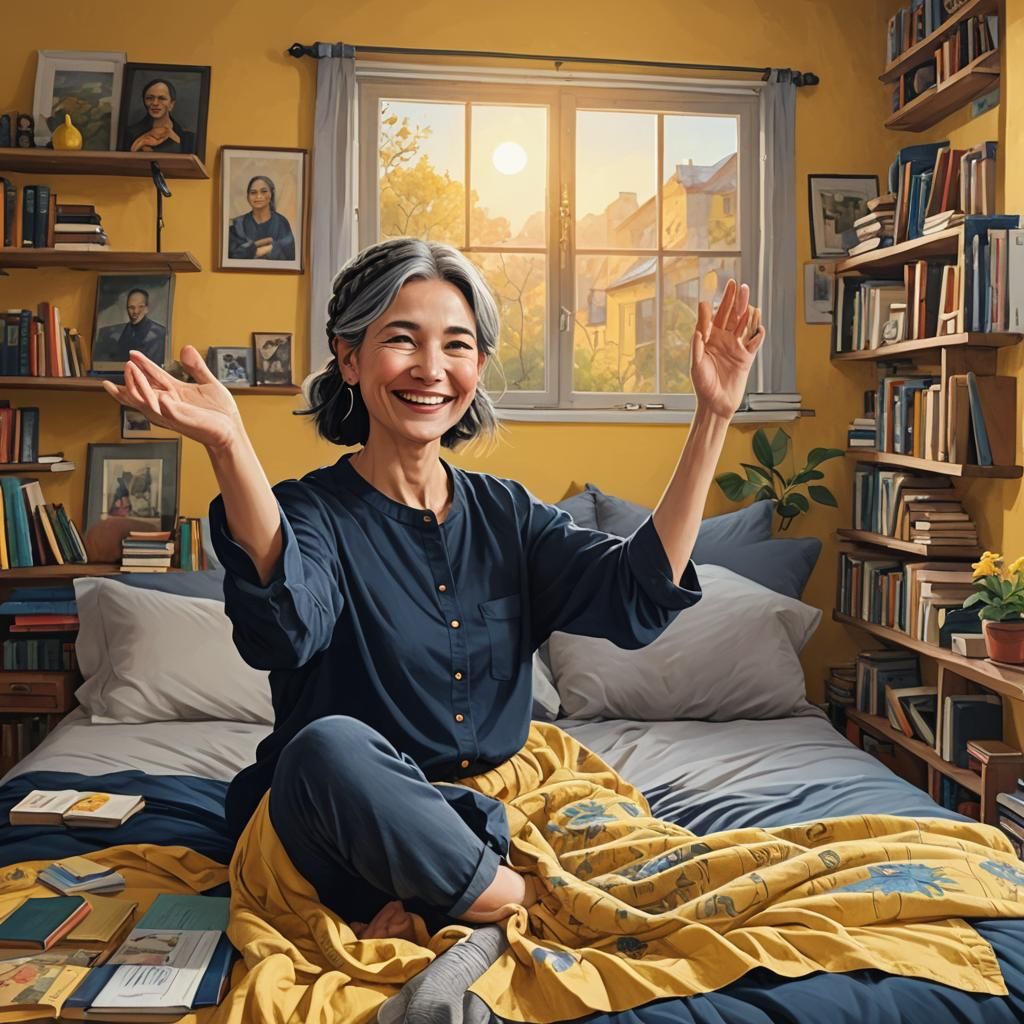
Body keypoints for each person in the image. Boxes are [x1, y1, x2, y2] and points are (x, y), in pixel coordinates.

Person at [100, 237, 763, 1021]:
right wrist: (229, 444)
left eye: (457, 344)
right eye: (400, 338)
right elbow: (285, 630)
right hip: (342, 816)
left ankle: (448, 897)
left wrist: (713, 416)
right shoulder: (310, 512)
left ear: (478, 366)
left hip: (482, 811)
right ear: (349, 359)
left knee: (483, 794)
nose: (430, 367)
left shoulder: (509, 514)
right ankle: (527, 899)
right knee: (325, 746)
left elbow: (635, 595)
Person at [227, 176, 295, 261]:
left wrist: (269, 248)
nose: (258, 196)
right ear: (248, 197)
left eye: (264, 191)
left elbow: (289, 254)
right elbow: (232, 255)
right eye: (253, 192)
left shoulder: (281, 222)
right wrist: (259, 245)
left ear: (271, 194)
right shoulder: (237, 224)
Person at [92, 289, 167, 366]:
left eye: (140, 307)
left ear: (146, 309)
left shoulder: (160, 334)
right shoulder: (110, 333)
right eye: (131, 307)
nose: (135, 311)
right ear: (127, 309)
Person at [122, 78, 195, 154]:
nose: (155, 103)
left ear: (171, 104)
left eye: (162, 98)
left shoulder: (187, 137)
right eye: (149, 98)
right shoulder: (131, 133)